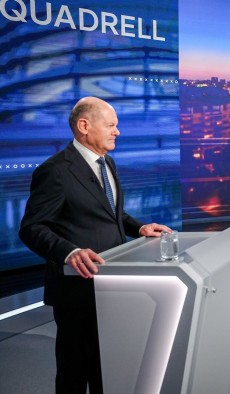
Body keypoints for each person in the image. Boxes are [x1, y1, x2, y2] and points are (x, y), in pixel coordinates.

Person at [19, 97, 171, 393]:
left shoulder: (107, 163)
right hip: (76, 292)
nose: (118, 132)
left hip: (111, 287)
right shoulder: (56, 171)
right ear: (84, 126)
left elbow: (111, 212)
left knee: (108, 369)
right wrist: (69, 252)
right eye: (111, 125)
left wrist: (138, 227)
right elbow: (32, 227)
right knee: (74, 372)